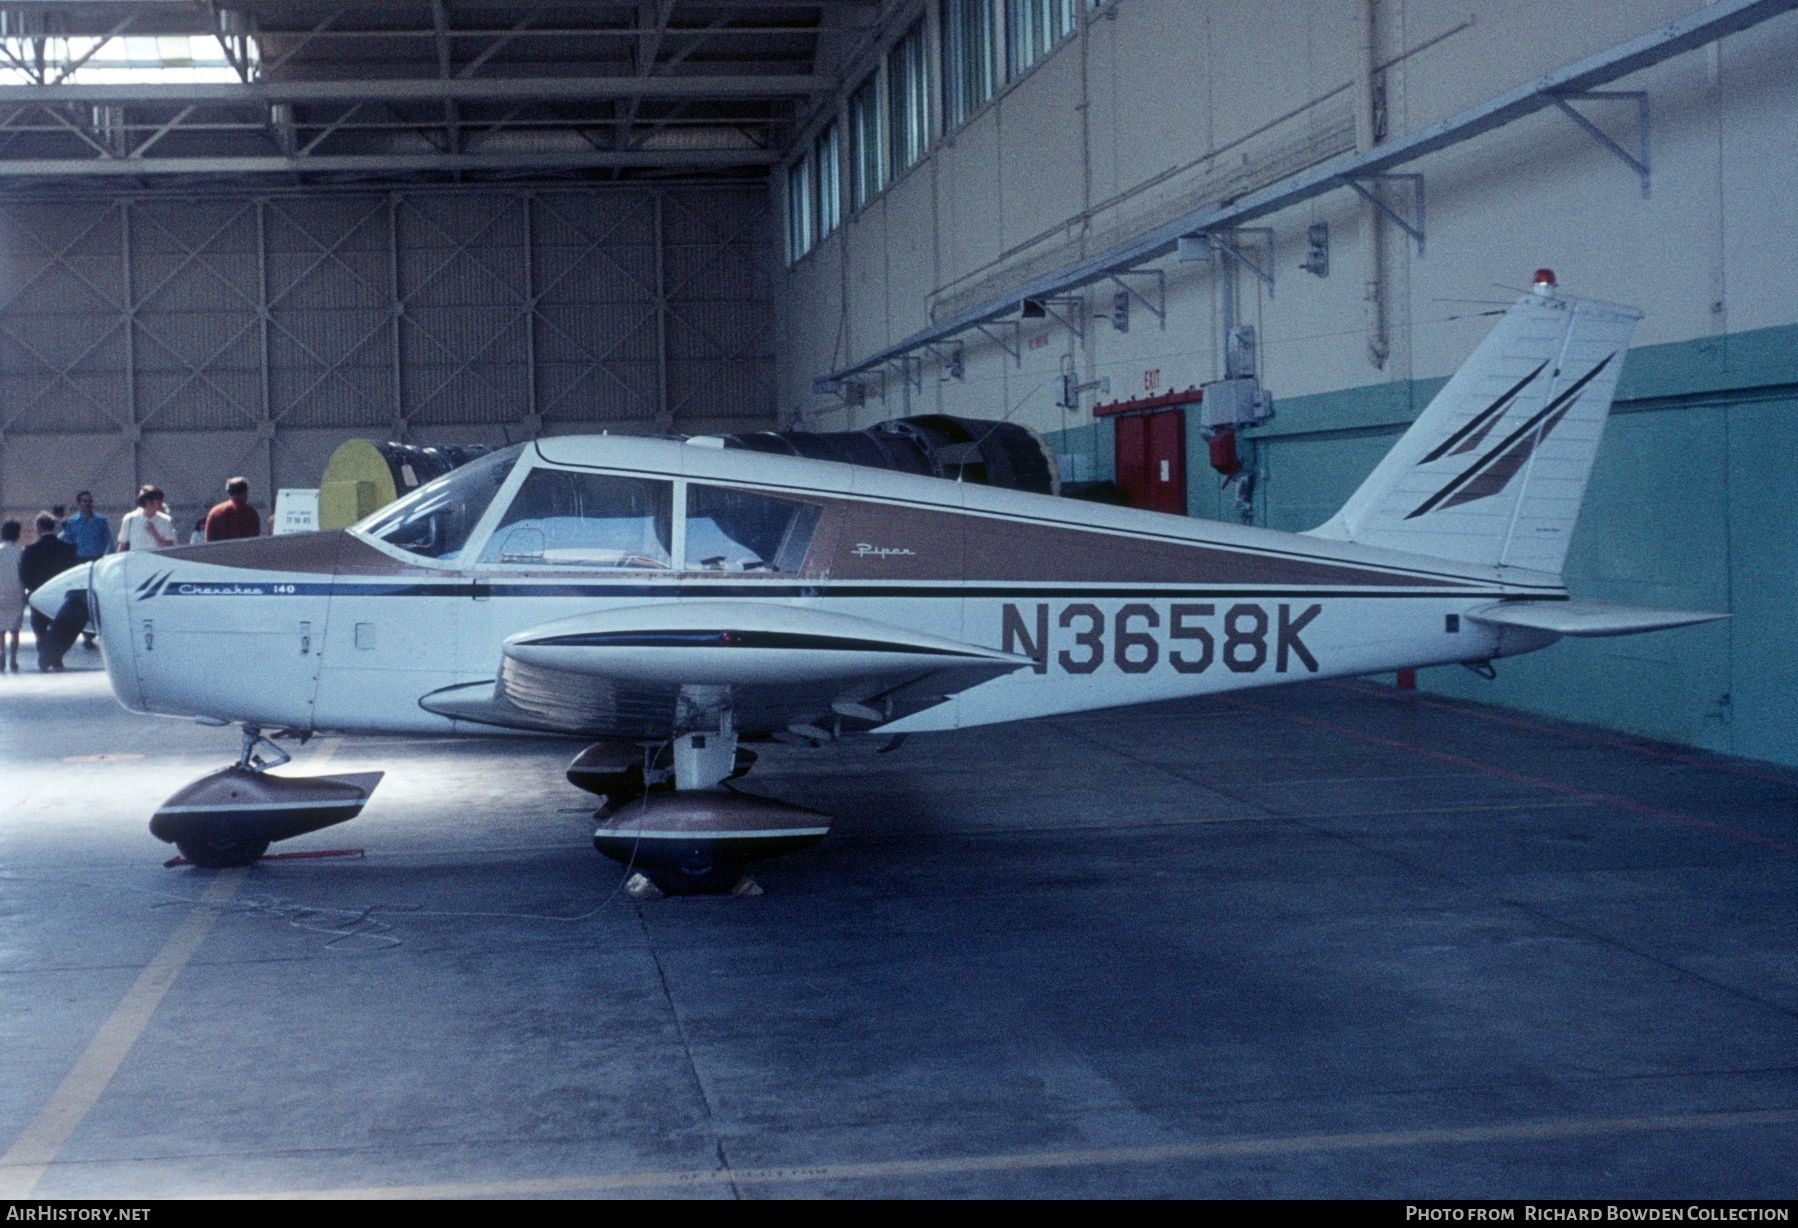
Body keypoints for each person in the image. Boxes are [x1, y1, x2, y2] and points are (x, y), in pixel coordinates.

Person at [19, 514, 77, 672]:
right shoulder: (68, 549)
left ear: (38, 529)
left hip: (38, 594)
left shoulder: (30, 550)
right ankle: (56, 658)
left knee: (39, 628)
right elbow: (73, 572)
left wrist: (32, 590)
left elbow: (24, 575)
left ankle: (44, 657)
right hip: (61, 594)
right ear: (53, 527)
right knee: (59, 627)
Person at [118, 484, 179, 553]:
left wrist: (154, 532)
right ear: (147, 501)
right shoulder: (130, 519)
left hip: (158, 561)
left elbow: (171, 547)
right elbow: (122, 545)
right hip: (136, 561)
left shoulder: (166, 520)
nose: (161, 502)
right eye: (158, 499)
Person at [204, 476, 261, 542]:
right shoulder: (251, 513)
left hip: (219, 551)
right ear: (245, 493)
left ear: (229, 493)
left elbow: (208, 540)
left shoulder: (214, 512)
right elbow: (253, 541)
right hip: (243, 551)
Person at [0, 520, 24, 672]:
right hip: (16, 593)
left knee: (1, 628)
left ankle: (1, 654)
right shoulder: (20, 552)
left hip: (0, 593)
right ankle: (13, 659)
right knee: (15, 629)